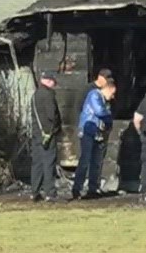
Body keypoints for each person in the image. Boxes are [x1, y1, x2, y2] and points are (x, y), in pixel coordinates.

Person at [72, 70, 115, 199]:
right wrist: (109, 119)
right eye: (112, 93)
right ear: (108, 89)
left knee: (96, 160)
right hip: (88, 131)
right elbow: (100, 112)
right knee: (85, 160)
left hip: (98, 132)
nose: (113, 97)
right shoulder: (94, 95)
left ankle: (93, 188)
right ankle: (77, 188)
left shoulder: (104, 100)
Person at [29, 71, 62, 202]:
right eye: (54, 82)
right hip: (48, 134)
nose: (54, 85)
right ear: (48, 81)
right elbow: (51, 115)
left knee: (37, 163)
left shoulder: (35, 95)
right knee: (49, 162)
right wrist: (57, 127)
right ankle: (50, 192)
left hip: (37, 133)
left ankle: (34, 191)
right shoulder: (48, 95)